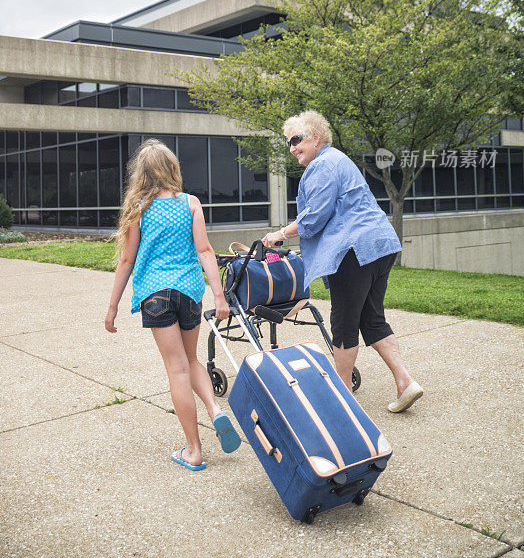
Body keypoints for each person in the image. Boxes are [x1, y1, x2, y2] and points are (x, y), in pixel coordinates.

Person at [262, 110, 423, 413]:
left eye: (296, 139)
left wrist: (279, 234)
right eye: (288, 143)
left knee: (344, 322)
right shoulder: (337, 159)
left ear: (315, 137)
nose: (292, 147)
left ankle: (343, 395)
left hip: (354, 251)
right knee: (371, 318)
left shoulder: (323, 165)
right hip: (379, 246)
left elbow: (315, 217)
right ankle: (405, 382)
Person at [105, 138, 241, 469]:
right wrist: (219, 295)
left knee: (176, 368)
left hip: (155, 294)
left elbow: (126, 260)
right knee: (191, 361)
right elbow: (206, 251)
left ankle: (194, 451)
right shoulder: (191, 203)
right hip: (188, 292)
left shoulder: (138, 206)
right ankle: (215, 409)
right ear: (171, 169)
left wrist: (112, 307)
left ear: (142, 173)